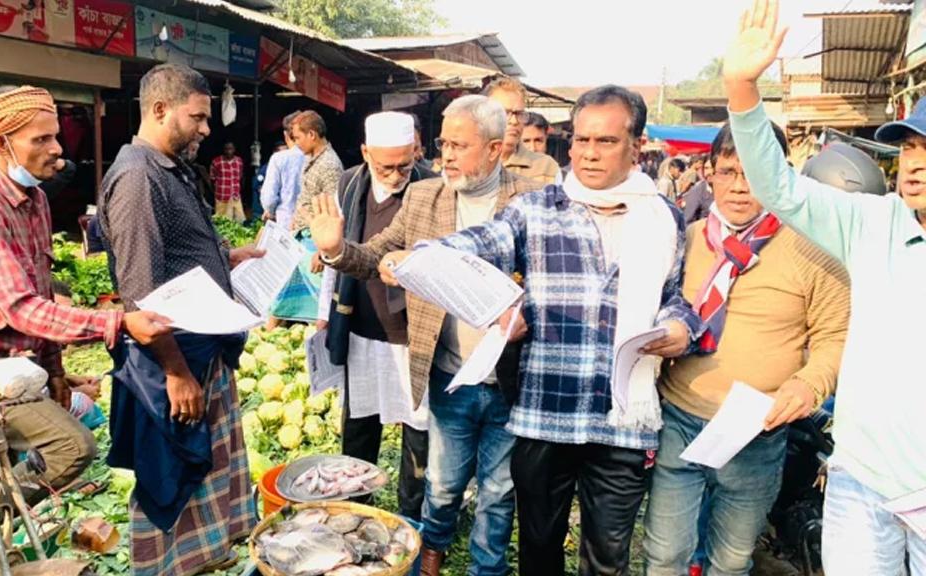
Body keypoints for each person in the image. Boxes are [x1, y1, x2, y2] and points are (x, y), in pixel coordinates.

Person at [386, 85, 702, 576]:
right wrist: (427, 255)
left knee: (607, 557)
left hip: (620, 422)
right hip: (544, 415)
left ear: (635, 145)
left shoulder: (663, 218)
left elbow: (675, 295)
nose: (589, 154)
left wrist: (680, 327)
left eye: (606, 142)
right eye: (581, 141)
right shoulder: (537, 209)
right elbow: (485, 240)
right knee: (538, 549)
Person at [723, 1, 926, 572]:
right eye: (909, 148)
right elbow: (781, 189)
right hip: (861, 482)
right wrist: (741, 87)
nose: (914, 163)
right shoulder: (875, 221)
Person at [0, 85, 171, 502]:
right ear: (0, 143)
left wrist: (55, 372)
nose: (58, 149)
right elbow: (21, 308)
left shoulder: (35, 201)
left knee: (1, 471)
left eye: (55, 136)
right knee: (72, 447)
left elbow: (41, 292)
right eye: (42, 139)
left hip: (6, 364)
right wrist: (118, 322)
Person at [309, 95, 536, 576]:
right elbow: (376, 254)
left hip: (511, 380)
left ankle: (486, 568)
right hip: (450, 373)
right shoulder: (425, 197)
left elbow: (548, 283)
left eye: (459, 145)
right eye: (442, 143)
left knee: (498, 491)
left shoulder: (532, 201)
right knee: (443, 480)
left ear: (495, 149)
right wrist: (334, 250)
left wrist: (528, 316)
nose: (445, 156)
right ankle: (430, 549)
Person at [643, 121, 850, 575]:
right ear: (709, 172)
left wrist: (806, 385)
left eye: (754, 173)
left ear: (780, 174)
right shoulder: (687, 240)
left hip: (759, 432)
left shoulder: (814, 250)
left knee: (733, 560)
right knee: (664, 555)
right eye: (728, 171)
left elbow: (834, 336)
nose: (739, 187)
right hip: (680, 419)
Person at [98, 63, 262, 575]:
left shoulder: (168, 168)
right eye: (198, 118)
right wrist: (175, 373)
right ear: (160, 110)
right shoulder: (136, 180)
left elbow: (174, 253)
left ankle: (203, 561)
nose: (206, 130)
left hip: (200, 350)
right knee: (172, 473)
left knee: (208, 473)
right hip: (173, 360)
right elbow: (141, 295)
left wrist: (224, 255)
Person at [316, 112, 434, 521]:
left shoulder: (431, 187)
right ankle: (355, 508)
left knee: (417, 429)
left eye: (406, 163)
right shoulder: (348, 183)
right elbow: (334, 250)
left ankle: (409, 517)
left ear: (416, 152)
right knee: (360, 423)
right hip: (360, 321)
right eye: (387, 166)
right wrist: (323, 313)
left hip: (411, 331)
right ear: (366, 153)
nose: (398, 173)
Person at [484, 77, 561, 187]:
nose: (514, 121)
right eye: (505, 113)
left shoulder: (546, 168)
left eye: (519, 114)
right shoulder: (468, 161)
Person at [291, 110, 344, 233]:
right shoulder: (310, 158)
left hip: (315, 237)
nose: (296, 144)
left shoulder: (329, 165)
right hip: (302, 232)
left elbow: (334, 211)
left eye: (298, 138)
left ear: (311, 134)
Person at [260, 112, 305, 229]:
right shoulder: (316, 157)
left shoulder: (279, 158)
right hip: (312, 227)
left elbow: (269, 198)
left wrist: (270, 211)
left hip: (285, 223)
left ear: (285, 135)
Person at [210, 140, 245, 221]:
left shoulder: (239, 161)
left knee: (239, 220)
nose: (229, 151)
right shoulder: (216, 162)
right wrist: (215, 193)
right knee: (222, 221)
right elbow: (212, 179)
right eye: (226, 149)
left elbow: (241, 176)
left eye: (231, 149)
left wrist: (239, 190)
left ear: (234, 149)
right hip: (222, 196)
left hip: (235, 196)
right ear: (223, 150)